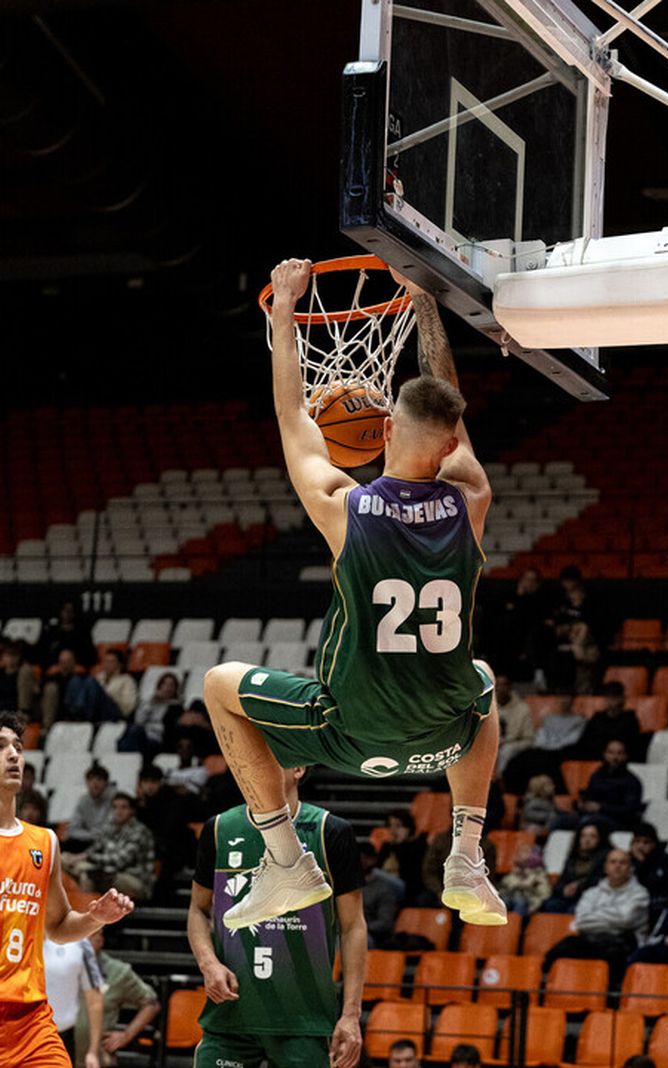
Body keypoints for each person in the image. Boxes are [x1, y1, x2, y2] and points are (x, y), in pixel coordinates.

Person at [203, 260, 504, 931]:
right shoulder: (472, 498)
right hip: (441, 738)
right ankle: (465, 852)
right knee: (482, 677)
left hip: (346, 733)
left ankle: (284, 859)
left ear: (385, 433)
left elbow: (291, 416)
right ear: (454, 445)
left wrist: (284, 306)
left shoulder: (344, 506)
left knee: (221, 683)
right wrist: (426, 303)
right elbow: (445, 395)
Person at [0, 711, 135, 1068]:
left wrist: (95, 918)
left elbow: (59, 927)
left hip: (30, 1021)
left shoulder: (45, 841)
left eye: (18, 747)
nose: (13, 755)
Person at [190, 763, 366, 1068]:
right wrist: (208, 963)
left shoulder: (330, 831)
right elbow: (198, 909)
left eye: (264, 755)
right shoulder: (219, 828)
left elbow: (352, 928)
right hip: (230, 1017)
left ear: (298, 768)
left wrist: (350, 1014)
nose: (251, 764)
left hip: (304, 1021)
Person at [542, 848, 648, 987]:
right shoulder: (591, 893)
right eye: (613, 862)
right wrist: (614, 916)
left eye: (623, 862)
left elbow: (626, 919)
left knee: (615, 955)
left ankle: (610, 999)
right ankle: (546, 988)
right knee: (564, 946)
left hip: (621, 942)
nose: (617, 866)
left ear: (630, 868)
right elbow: (581, 921)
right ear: (605, 867)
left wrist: (596, 916)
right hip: (591, 940)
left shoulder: (640, 893)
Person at [78, 928, 162, 1067]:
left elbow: (151, 1004)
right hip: (57, 1056)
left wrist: (126, 1035)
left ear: (101, 939)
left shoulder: (118, 972)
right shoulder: (58, 969)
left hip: (99, 1060)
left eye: (90, 936)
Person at [70, 793, 156, 899]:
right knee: (65, 860)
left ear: (132, 811)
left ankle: (86, 912)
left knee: (90, 875)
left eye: (123, 807)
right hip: (110, 872)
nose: (118, 811)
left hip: (135, 880)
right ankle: (82, 910)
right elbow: (95, 847)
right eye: (115, 807)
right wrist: (77, 858)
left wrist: (88, 858)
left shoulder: (139, 831)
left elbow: (120, 861)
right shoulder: (110, 828)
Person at [43, 934, 107, 1064]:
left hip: (61, 1037)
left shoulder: (81, 944)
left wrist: (93, 1051)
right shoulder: (18, 939)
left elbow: (94, 1000)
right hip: (20, 1034)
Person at [556, 739, 644, 831]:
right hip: (591, 815)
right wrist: (581, 803)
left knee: (589, 822)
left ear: (626, 756)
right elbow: (589, 795)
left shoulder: (632, 781)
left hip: (616, 821)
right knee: (559, 821)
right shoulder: (597, 775)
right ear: (604, 754)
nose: (615, 757)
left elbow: (629, 811)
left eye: (619, 753)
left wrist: (600, 808)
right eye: (611, 753)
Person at [541, 821, 610, 913]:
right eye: (583, 836)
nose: (587, 840)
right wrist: (564, 889)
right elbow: (561, 881)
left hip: (590, 898)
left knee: (574, 910)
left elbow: (602, 881)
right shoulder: (572, 858)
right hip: (569, 897)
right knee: (550, 905)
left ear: (600, 839)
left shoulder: (605, 858)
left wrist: (579, 887)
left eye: (592, 836)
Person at [572, 682, 646, 762]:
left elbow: (632, 745)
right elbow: (585, 741)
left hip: (619, 759)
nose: (612, 701)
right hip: (596, 755)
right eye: (609, 697)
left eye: (615, 697)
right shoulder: (597, 718)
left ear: (622, 698)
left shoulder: (630, 719)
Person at [628, 823, 668, 920]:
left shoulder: (665, 860)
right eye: (637, 841)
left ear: (654, 844)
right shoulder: (625, 861)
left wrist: (643, 864)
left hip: (658, 908)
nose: (641, 846)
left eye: (646, 842)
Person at [378, 810, 430, 907]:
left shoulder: (417, 846)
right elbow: (379, 864)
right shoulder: (386, 847)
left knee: (373, 873)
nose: (393, 830)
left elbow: (413, 874)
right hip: (384, 886)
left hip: (406, 887)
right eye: (390, 826)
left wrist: (399, 844)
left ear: (408, 828)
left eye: (398, 826)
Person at [65, 763, 117, 853]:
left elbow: (110, 830)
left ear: (106, 783)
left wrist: (91, 834)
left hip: (109, 841)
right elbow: (73, 829)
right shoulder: (83, 800)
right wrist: (91, 835)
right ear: (86, 782)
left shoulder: (114, 799)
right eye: (91, 780)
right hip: (89, 840)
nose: (95, 783)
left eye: (99, 780)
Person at [359, 843, 403, 945]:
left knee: (358, 939)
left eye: (365, 858)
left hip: (371, 934)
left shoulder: (384, 889)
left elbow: (385, 923)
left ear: (373, 860)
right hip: (348, 930)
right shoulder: (349, 886)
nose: (361, 861)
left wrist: (360, 928)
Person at [492, 673, 535, 772]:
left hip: (517, 742)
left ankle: (501, 781)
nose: (500, 689)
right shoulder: (489, 708)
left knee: (506, 751)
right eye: (497, 685)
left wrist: (504, 742)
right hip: (495, 743)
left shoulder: (523, 708)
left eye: (504, 685)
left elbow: (529, 738)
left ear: (510, 688)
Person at [0, 640, 39, 716]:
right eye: (7, 655)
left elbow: (29, 696)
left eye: (13, 655)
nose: (10, 659)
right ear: (2, 657)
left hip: (16, 711)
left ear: (19, 656)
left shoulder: (24, 675)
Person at [498, 844, 552, 916]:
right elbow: (502, 890)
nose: (521, 854)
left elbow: (544, 894)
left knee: (520, 902)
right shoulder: (512, 874)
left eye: (526, 851)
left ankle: (514, 925)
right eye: (520, 852)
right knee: (503, 901)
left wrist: (527, 886)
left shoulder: (538, 874)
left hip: (529, 903)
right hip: (510, 898)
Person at [93, 648, 139, 720]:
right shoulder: (99, 677)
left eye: (111, 662)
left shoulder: (127, 680)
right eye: (106, 661)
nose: (107, 664)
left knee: (89, 683)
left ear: (119, 664)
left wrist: (110, 698)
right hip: (97, 711)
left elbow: (127, 707)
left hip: (115, 712)